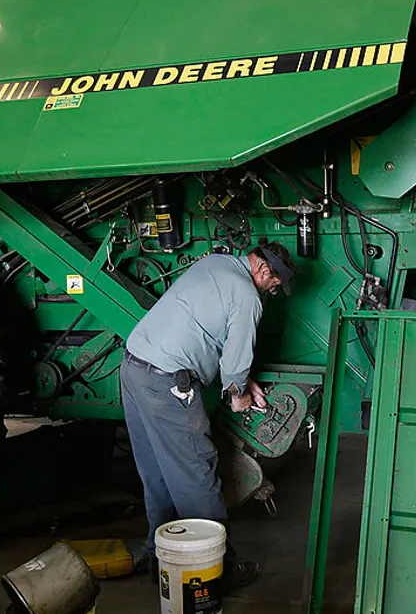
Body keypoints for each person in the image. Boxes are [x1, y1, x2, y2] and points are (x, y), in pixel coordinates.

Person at [122, 240, 296, 590]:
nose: (270, 293)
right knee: (196, 474)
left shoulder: (216, 263)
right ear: (264, 271)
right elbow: (232, 365)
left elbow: (208, 326)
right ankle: (217, 569)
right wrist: (238, 394)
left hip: (133, 368)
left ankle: (159, 552)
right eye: (274, 286)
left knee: (155, 470)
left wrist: (243, 381)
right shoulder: (247, 296)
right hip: (168, 383)